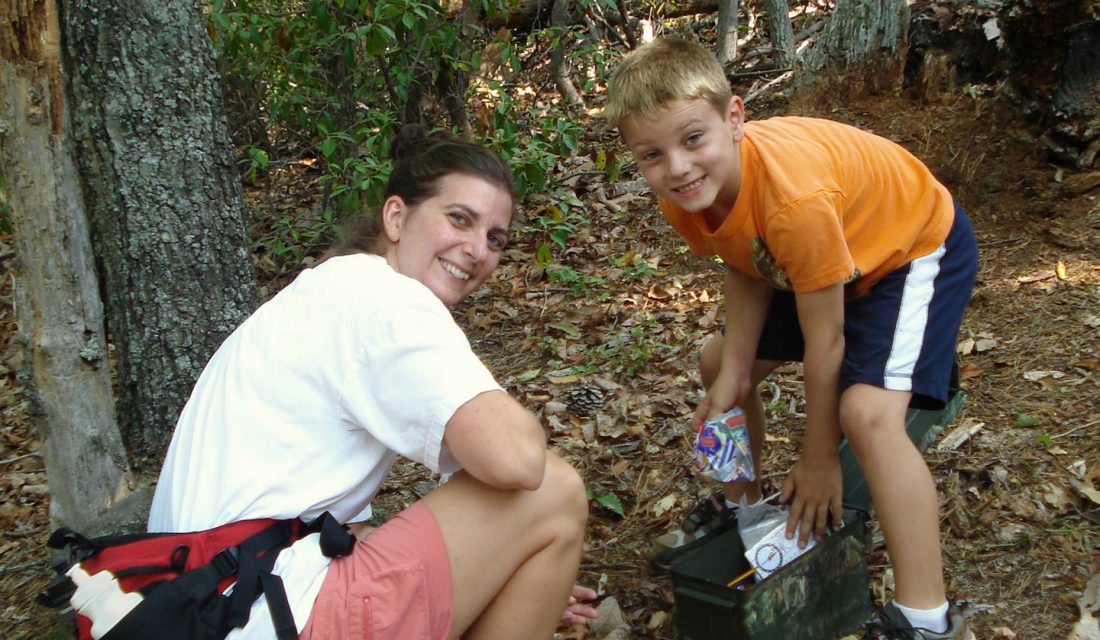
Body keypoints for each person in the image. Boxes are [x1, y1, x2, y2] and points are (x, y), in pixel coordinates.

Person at [147, 126, 598, 639]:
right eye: (459, 219)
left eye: (495, 239)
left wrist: (494, 573)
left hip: (202, 607)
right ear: (396, 217)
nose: (477, 250)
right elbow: (517, 460)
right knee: (553, 492)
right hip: (261, 611)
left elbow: (348, 533)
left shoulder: (327, 289)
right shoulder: (383, 299)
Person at [604, 38, 978, 640]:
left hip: (907, 249)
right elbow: (746, 261)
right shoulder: (687, 194)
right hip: (821, 260)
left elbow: (825, 341)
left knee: (866, 414)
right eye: (652, 154)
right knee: (718, 362)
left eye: (692, 139)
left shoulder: (794, 202)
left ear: (734, 118)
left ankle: (927, 617)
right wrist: (733, 373)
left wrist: (819, 456)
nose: (676, 167)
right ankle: (744, 509)